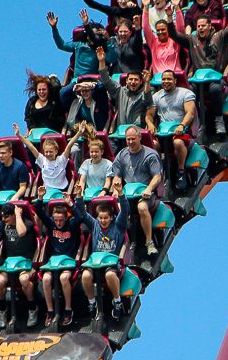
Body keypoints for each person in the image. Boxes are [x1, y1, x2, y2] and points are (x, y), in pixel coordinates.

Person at [168, 0, 228, 134]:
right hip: (198, 80)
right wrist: (169, 17)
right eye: (199, 26)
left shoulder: (220, 37)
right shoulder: (192, 39)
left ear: (209, 26)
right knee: (189, 91)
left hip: (216, 78)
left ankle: (219, 120)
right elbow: (174, 35)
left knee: (214, 89)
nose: (201, 28)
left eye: (203, 26)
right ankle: (195, 121)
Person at [75, 180, 130, 319]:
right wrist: (79, 196)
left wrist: (121, 194)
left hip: (112, 263)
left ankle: (117, 301)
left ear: (111, 217)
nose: (103, 220)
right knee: (86, 276)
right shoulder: (94, 225)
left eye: (106, 218)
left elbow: (125, 210)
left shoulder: (118, 226)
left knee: (110, 275)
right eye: (101, 218)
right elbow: (82, 213)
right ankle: (92, 302)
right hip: (95, 262)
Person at [34, 186, 84, 326]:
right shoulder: (51, 224)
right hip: (54, 261)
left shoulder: (71, 224)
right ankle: (50, 311)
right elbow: (39, 212)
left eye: (61, 220)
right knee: (46, 279)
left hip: (68, 262)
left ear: (66, 218)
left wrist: (70, 204)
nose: (58, 223)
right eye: (56, 220)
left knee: (63, 278)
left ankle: (68, 309)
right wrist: (40, 197)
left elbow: (80, 217)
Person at [112, 125, 163, 255]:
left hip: (145, 194)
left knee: (141, 207)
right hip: (127, 194)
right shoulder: (122, 154)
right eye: (128, 139)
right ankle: (119, 243)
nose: (130, 142)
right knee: (116, 208)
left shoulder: (150, 154)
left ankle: (149, 242)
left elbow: (157, 176)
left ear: (140, 137)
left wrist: (149, 188)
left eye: (133, 139)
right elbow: (117, 175)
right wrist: (116, 189)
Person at [145, 70, 196, 190]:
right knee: (153, 144)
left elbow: (190, 113)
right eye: (164, 79)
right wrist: (150, 124)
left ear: (175, 80)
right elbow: (149, 115)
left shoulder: (185, 93)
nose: (166, 82)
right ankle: (158, 174)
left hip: (181, 131)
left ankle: (181, 172)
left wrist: (182, 125)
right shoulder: (156, 96)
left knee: (177, 143)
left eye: (169, 79)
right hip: (163, 132)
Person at [0, 203, 39, 328]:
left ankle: (32, 308)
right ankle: (2, 310)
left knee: (24, 280)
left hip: (26, 262)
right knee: (0, 282)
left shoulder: (26, 223)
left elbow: (22, 232)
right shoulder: (2, 226)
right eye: (3, 217)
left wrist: (18, 216)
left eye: (7, 216)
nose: (4, 219)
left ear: (13, 215)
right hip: (9, 263)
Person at [13, 122, 83, 193]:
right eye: (46, 152)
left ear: (56, 152)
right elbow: (30, 146)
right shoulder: (42, 160)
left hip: (61, 191)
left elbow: (69, 145)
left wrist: (79, 133)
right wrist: (18, 135)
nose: (48, 154)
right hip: (47, 192)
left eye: (51, 152)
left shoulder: (61, 160)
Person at [47, 9, 116, 78]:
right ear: (87, 36)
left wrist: (108, 40)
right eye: (91, 35)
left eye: (96, 36)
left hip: (94, 81)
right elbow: (61, 45)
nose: (93, 38)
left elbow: (112, 59)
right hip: (77, 81)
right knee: (64, 89)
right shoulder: (78, 46)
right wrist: (54, 28)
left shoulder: (100, 49)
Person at [59, 77, 110, 169]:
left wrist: (94, 85)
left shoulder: (99, 102)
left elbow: (102, 89)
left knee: (95, 150)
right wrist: (75, 85)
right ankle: (78, 174)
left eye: (87, 90)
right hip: (79, 135)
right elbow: (63, 93)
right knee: (74, 150)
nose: (84, 93)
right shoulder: (76, 102)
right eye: (82, 90)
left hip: (96, 136)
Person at [97, 46, 153, 130]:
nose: (133, 82)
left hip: (137, 132)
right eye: (131, 79)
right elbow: (106, 79)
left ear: (141, 81)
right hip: (121, 132)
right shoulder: (120, 91)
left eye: (136, 80)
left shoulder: (144, 92)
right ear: (126, 81)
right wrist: (101, 61)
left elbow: (148, 100)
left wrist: (147, 82)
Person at [142, 0, 185, 74]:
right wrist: (146, 7)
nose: (160, 32)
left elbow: (181, 28)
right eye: (158, 30)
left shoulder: (174, 41)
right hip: (158, 81)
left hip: (174, 78)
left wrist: (177, 8)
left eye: (163, 30)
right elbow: (145, 27)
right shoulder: (153, 42)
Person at [0, 140, 29, 205]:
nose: (1, 156)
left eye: (3, 153)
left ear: (10, 153)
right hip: (1, 199)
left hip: (15, 198)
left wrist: (15, 197)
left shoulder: (20, 166)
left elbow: (23, 187)